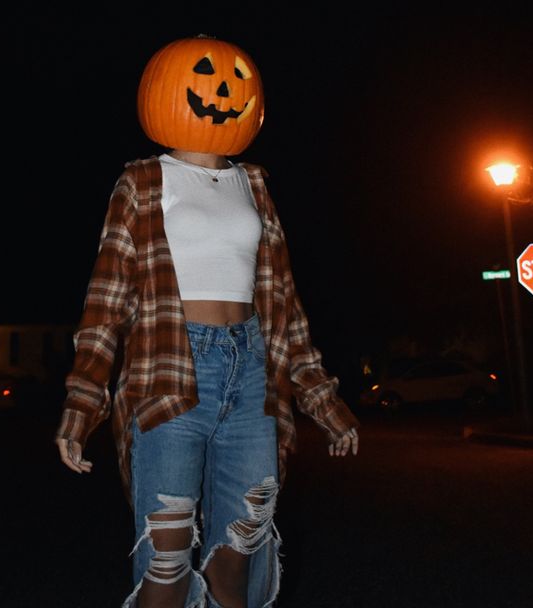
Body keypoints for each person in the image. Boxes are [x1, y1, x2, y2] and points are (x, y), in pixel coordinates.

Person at [55, 35, 359, 608]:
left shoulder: (256, 186)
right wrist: (82, 401)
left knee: (236, 562)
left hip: (253, 383)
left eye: (238, 76)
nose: (224, 90)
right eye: (206, 75)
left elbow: (284, 306)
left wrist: (323, 401)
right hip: (169, 376)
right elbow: (107, 299)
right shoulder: (143, 182)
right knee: (167, 564)